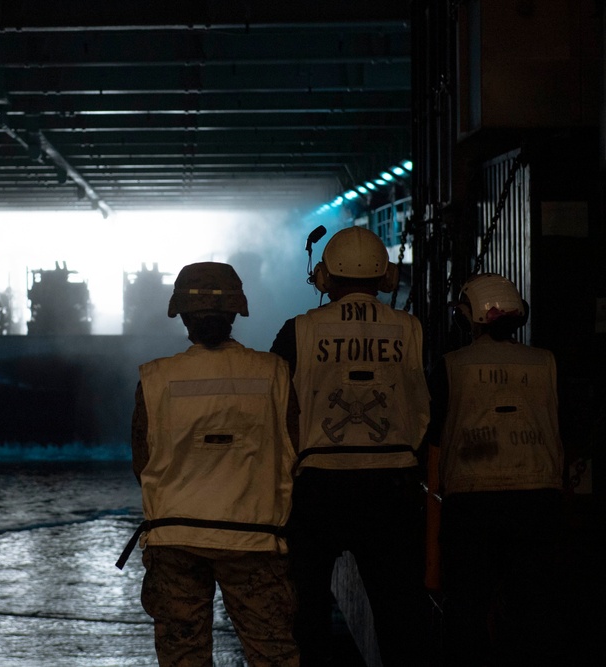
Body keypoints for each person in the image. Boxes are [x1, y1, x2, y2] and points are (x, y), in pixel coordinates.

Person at [117, 261, 300, 666]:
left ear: (181, 315)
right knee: (272, 654)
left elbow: (141, 464)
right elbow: (294, 451)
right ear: (236, 312)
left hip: (175, 541)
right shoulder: (275, 374)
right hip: (254, 539)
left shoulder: (155, 379)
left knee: (184, 656)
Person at [270, 226, 431, 667]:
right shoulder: (412, 330)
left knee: (306, 612)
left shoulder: (298, 331)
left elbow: (276, 409)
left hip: (317, 487)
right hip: (391, 488)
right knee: (399, 611)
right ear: (385, 278)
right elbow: (427, 406)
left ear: (324, 277)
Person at [424, 272, 564, 667]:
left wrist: (431, 553)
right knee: (533, 611)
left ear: (470, 318)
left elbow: (434, 448)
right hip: (538, 499)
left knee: (467, 609)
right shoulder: (547, 363)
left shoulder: (450, 366)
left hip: (471, 504)